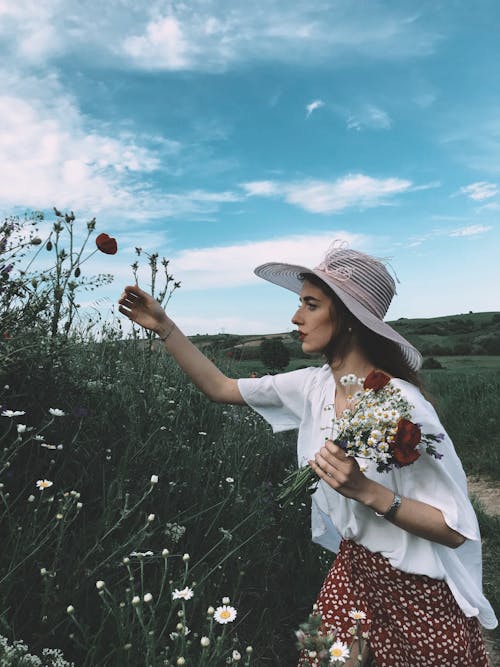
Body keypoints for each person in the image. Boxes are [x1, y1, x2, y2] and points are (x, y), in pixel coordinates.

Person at [118, 240, 497, 667]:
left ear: (349, 317)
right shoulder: (312, 386)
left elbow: (454, 528)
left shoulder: (402, 407)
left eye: (311, 305)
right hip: (355, 568)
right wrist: (165, 326)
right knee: (318, 660)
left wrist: (366, 491)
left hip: (418, 590)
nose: (296, 317)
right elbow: (221, 387)